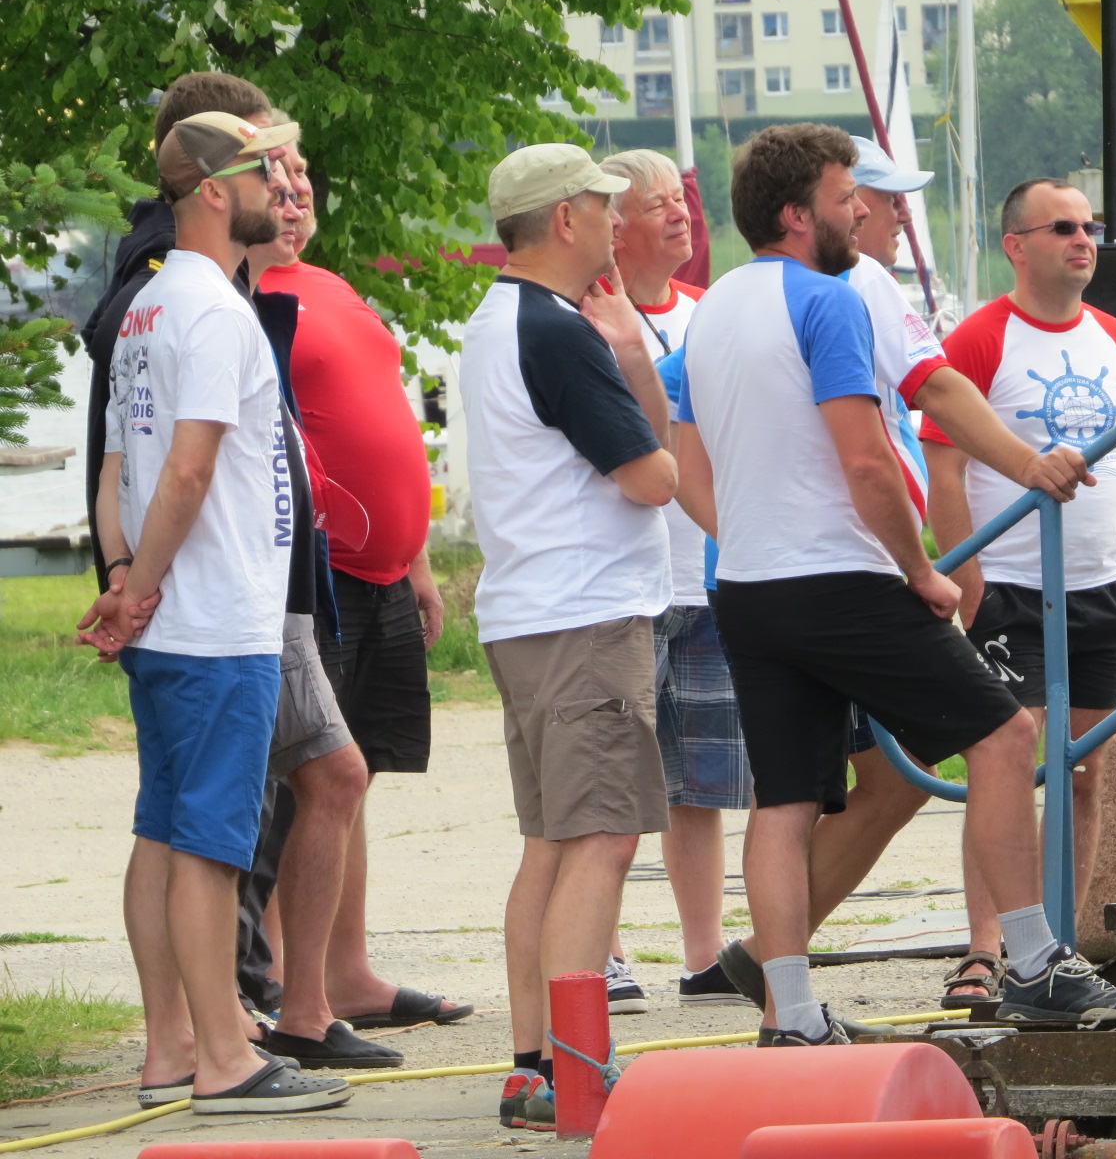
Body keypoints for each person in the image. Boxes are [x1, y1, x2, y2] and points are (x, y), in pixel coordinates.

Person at [675, 124, 1116, 1045]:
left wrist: (747, 538)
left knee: (786, 801)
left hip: (749, 586)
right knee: (1005, 737)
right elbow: (869, 461)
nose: (862, 212)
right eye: (845, 198)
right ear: (797, 214)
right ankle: (1033, 965)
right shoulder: (829, 298)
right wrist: (920, 571)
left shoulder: (716, 307)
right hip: (841, 577)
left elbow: (686, 460)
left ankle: (793, 1016)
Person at [79, 73, 395, 1072]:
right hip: (216, 618)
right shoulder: (212, 310)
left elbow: (114, 470)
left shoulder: (144, 308)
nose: (284, 185)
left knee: (166, 829)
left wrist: (126, 577)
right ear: (216, 189)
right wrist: (141, 585)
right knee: (211, 844)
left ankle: (174, 1052)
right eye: (264, 169)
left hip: (175, 612)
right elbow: (186, 468)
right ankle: (223, 1056)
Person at [459, 143, 676, 1126]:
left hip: (528, 611)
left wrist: (625, 357)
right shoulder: (555, 331)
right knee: (603, 840)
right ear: (563, 220)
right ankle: (575, 1069)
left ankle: (533, 1064)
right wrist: (633, 365)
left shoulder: (496, 319)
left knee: (550, 844)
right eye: (602, 205)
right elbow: (653, 476)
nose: (615, 221)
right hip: (584, 614)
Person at [918, 177, 1116, 1003]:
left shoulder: (1114, 335)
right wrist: (968, 580)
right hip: (1014, 590)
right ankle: (988, 950)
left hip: (1105, 589)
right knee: (1003, 766)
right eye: (1062, 227)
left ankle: (1059, 945)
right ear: (1016, 245)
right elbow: (942, 467)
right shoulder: (981, 337)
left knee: (1083, 772)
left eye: (1090, 225)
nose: (1083, 239)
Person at [255, 128, 470, 1039]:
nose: (298, 190)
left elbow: (381, 422)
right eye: (277, 174)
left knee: (356, 778)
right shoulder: (245, 297)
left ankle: (345, 974)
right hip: (319, 578)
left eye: (304, 173)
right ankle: (275, 984)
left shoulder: (332, 286)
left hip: (385, 574)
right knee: (303, 781)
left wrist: (416, 559)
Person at [596, 149, 752, 1012]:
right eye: (659, 204)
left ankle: (702, 954)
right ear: (614, 227)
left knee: (703, 786)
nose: (680, 214)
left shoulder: (708, 315)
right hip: (625, 583)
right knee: (614, 780)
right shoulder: (588, 319)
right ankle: (603, 953)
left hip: (706, 579)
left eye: (682, 200)